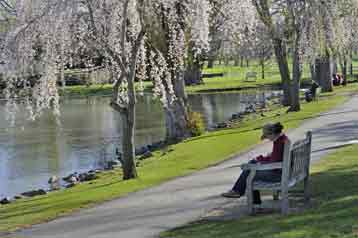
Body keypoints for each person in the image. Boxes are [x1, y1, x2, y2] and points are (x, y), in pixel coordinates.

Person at [222, 122, 289, 204]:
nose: (268, 138)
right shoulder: (282, 139)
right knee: (252, 164)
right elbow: (275, 159)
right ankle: (237, 191)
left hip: (278, 175)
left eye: (267, 136)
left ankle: (239, 193)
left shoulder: (279, 143)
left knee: (250, 172)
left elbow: (274, 163)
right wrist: (260, 159)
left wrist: (259, 162)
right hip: (282, 171)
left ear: (272, 133)